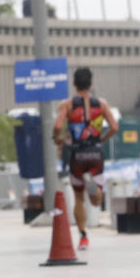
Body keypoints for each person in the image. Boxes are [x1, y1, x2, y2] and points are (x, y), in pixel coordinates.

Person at [52, 67, 118, 250]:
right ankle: (95, 189)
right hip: (96, 153)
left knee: (78, 197)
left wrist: (57, 138)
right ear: (91, 83)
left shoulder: (66, 104)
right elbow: (114, 127)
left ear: (74, 84)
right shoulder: (101, 104)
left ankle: (83, 237)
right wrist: (101, 139)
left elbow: (58, 126)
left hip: (77, 154)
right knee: (96, 201)